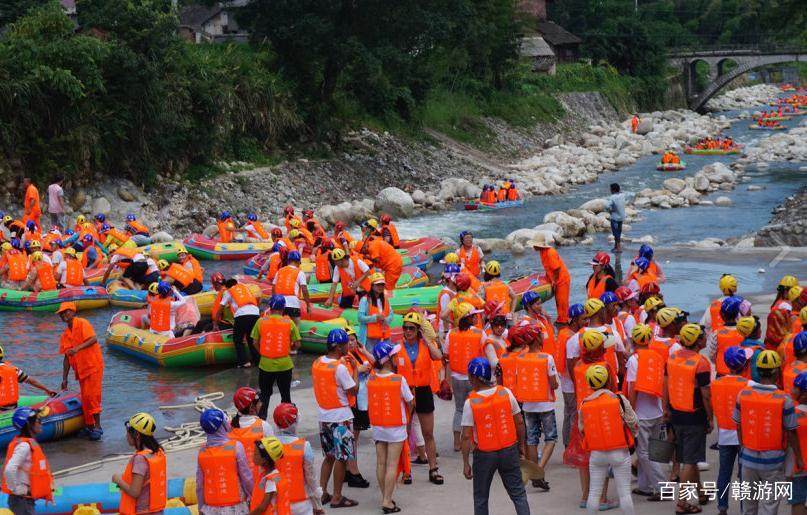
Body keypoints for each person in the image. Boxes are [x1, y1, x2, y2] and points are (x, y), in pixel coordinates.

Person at [735, 350, 799, 515]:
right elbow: (791, 433)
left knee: (749, 506)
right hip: (774, 462)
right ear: (777, 371)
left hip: (748, 459)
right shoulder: (784, 399)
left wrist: (743, 449)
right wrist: (798, 459)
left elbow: (739, 425)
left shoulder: (743, 394)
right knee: (770, 506)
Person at [461, 357, 528, 515]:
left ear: (475, 377)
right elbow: (519, 422)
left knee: (481, 498)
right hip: (509, 449)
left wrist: (465, 462)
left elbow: (465, 436)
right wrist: (521, 446)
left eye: (470, 376)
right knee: (518, 494)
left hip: (484, 454)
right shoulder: (506, 393)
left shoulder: (471, 403)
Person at [578, 365, 637, 515]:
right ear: (609, 379)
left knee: (594, 493)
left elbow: (582, 429)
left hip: (597, 453)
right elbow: (633, 421)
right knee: (624, 492)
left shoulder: (584, 404)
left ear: (589, 383)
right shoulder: (618, 399)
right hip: (619, 451)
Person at [667, 323, 712, 513]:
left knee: (689, 456)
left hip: (676, 412)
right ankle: (682, 502)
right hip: (694, 416)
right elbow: (706, 394)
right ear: (697, 341)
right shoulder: (701, 362)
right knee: (690, 461)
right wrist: (710, 418)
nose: (705, 338)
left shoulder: (672, 358)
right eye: (702, 336)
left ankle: (700, 492)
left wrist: (665, 409)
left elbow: (665, 384)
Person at [313, 329, 359, 509]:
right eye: (347, 343)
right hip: (341, 417)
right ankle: (337, 496)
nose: (349, 346)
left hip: (324, 417)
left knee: (329, 456)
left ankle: (322, 492)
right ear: (339, 347)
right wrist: (354, 369)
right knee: (342, 458)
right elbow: (353, 390)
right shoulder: (340, 368)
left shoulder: (317, 363)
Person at [366, 341, 414, 513]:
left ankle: (385, 496)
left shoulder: (371, 378)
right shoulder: (399, 379)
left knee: (381, 463)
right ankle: (387, 500)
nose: (396, 357)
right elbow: (410, 401)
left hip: (378, 426)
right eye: (394, 355)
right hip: (396, 427)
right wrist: (408, 418)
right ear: (388, 359)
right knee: (392, 464)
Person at [397, 311, 444, 485]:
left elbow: (439, 356)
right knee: (403, 433)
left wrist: (425, 339)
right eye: (405, 328)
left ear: (418, 330)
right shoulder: (397, 347)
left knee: (428, 433)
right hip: (404, 391)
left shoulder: (425, 345)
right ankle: (406, 471)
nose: (408, 331)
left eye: (411, 328)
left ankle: (433, 469)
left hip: (423, 391)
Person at [513, 323, 558, 491]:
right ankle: (539, 470)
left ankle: (534, 471)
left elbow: (518, 381)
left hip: (528, 406)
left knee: (532, 440)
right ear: (537, 338)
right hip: (545, 404)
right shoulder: (547, 358)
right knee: (551, 439)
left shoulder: (520, 358)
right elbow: (553, 384)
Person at [710, 347, 750, 515]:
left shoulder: (716, 383)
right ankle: (744, 509)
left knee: (724, 474)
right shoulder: (748, 385)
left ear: (726, 364)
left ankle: (722, 508)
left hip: (725, 436)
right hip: (744, 437)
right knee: (744, 477)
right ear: (745, 366)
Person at [57, 302, 104, 440]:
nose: (64, 315)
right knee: (85, 397)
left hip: (93, 365)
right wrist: (64, 379)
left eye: (66, 312)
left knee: (92, 396)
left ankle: (98, 427)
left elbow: (93, 339)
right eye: (61, 313)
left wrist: (77, 348)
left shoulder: (82, 323)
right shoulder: (65, 335)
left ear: (73, 312)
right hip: (81, 370)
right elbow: (66, 359)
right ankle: (89, 426)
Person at [196, 408, 254, 514]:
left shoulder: (202, 452)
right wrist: (253, 496)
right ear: (222, 425)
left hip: (211, 509)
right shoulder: (236, 447)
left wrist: (201, 507)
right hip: (237, 507)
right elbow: (246, 477)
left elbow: (200, 485)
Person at [272, 403, 326, 515]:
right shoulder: (304, 446)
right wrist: (317, 495)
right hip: (302, 502)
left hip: (278, 501)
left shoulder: (270, 445)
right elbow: (310, 476)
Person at [444, 302, 484, 452]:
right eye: (473, 315)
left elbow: (446, 357)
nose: (476, 317)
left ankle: (457, 442)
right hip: (475, 379)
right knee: (476, 411)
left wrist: (447, 380)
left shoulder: (451, 333)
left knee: (459, 410)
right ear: (467, 318)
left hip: (456, 377)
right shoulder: (479, 333)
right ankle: (474, 443)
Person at [251, 295, 301, 413]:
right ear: (283, 308)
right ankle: (287, 421)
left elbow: (254, 342)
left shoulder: (261, 321)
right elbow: (298, 343)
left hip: (265, 365)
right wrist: (291, 347)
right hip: (285, 365)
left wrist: (263, 353)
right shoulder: (289, 322)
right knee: (285, 395)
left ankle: (262, 421)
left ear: (270, 307)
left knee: (264, 395)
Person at [113, 412, 167, 515]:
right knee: (114, 485)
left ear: (137, 435)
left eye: (128, 432)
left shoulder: (140, 459)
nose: (126, 435)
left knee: (116, 480)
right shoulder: (157, 452)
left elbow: (135, 492)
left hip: (142, 512)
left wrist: (117, 480)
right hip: (157, 511)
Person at [2, 407, 54, 514]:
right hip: (21, 500)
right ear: (28, 424)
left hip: (25, 500)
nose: (40, 423)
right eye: (37, 420)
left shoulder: (27, 444)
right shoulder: (24, 446)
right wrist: (15, 489)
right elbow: (9, 469)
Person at [230, 388, 275, 481]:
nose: (261, 404)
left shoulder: (229, 427)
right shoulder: (264, 426)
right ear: (251, 407)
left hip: (238, 481)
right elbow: (274, 455)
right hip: (259, 480)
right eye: (258, 402)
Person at [217, 278, 260, 368]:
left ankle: (244, 362)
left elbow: (221, 306)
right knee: (251, 338)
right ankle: (257, 360)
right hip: (255, 313)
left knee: (238, 339)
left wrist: (216, 320)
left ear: (227, 286)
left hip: (242, 315)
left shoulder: (229, 291)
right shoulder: (246, 288)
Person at [529, 233, 570, 324]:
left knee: (562, 301)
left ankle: (564, 321)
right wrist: (548, 279)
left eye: (534, 245)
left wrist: (554, 281)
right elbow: (548, 268)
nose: (533, 247)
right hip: (556, 277)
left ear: (539, 245)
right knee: (558, 301)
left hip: (561, 278)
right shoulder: (542, 252)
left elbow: (556, 269)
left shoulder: (550, 252)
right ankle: (561, 318)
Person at [249, 437, 290, 515]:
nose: (253, 456)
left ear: (265, 460)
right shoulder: (273, 475)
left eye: (255, 454)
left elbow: (262, 507)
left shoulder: (270, 481)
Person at [272, 251, 311, 327]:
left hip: (279, 304)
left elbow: (273, 288)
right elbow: (304, 290)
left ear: (288, 260)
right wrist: (308, 305)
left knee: (280, 327)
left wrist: (274, 302)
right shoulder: (300, 272)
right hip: (293, 304)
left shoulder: (279, 271)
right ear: (298, 261)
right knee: (296, 327)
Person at [709, 296, 745, 377]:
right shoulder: (743, 332)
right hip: (740, 373)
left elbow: (711, 354)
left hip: (722, 373)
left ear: (722, 315)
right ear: (737, 314)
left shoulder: (716, 333)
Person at [357, 273, 394, 351]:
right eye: (378, 285)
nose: (381, 287)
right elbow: (360, 318)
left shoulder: (385, 299)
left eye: (382, 285)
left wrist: (386, 320)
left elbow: (391, 314)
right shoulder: (364, 300)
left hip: (384, 336)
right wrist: (375, 318)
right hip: (369, 338)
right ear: (372, 286)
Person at [606, 184, 626, 252]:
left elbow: (607, 206)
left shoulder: (612, 197)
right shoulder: (623, 195)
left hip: (615, 218)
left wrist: (610, 211)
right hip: (621, 217)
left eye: (610, 189)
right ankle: (615, 246)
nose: (610, 190)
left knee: (615, 233)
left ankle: (618, 248)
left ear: (613, 190)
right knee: (619, 232)